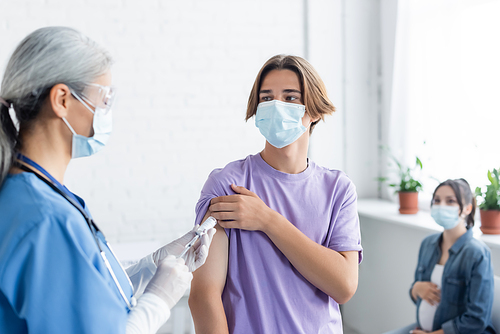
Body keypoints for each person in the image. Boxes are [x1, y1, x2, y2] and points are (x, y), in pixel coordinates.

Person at [0, 27, 215, 334]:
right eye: (104, 98)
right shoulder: (46, 219)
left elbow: (83, 300)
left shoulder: (36, 194)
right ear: (62, 99)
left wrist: (152, 266)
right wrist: (159, 299)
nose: (106, 112)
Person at [189, 54, 363, 333]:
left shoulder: (338, 190)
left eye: (290, 98)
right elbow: (203, 294)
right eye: (267, 98)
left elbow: (343, 286)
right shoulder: (227, 185)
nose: (276, 106)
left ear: (314, 111)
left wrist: (268, 220)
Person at [385, 179, 495, 334]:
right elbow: (418, 294)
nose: (441, 206)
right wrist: (415, 289)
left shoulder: (477, 253)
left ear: (467, 208)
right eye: (437, 200)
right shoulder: (427, 244)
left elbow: (477, 320)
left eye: (450, 201)